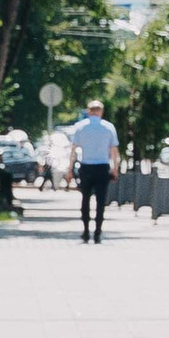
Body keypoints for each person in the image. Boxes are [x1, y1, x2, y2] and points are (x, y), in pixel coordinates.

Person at [68, 95, 118, 243]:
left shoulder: (80, 127)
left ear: (89, 111)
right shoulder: (109, 127)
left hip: (86, 166)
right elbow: (114, 150)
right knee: (101, 201)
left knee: (85, 199)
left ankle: (85, 230)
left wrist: (69, 169)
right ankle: (98, 231)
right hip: (102, 167)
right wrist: (115, 169)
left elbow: (73, 150)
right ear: (101, 112)